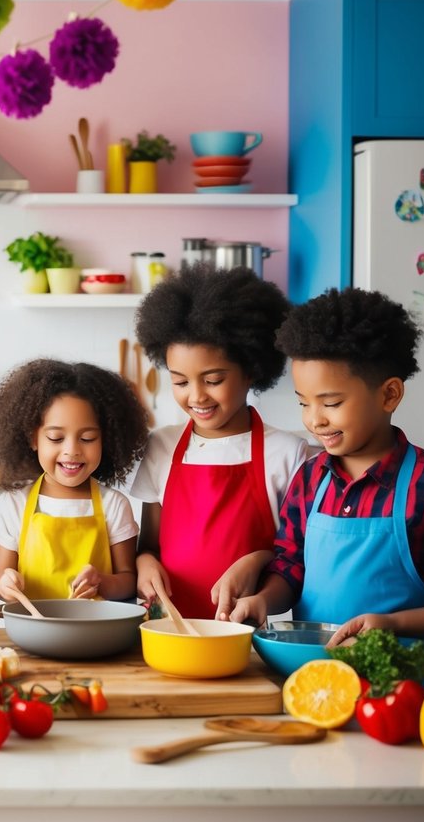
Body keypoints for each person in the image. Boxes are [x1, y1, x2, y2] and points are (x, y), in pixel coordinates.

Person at [229, 288, 424, 669]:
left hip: (404, 692)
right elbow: (290, 568)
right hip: (313, 678)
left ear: (389, 395)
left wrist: (392, 624)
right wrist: (263, 600)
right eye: (303, 402)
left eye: (331, 403)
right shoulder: (309, 479)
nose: (314, 420)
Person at [130, 265, 308, 620]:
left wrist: (257, 560)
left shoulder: (288, 452)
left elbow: (297, 558)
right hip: (167, 630)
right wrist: (145, 566)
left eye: (213, 380)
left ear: (252, 370)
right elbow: (149, 546)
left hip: (247, 635)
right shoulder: (161, 445)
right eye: (180, 382)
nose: (196, 396)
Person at [0, 360, 147, 605]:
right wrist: (6, 582)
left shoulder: (114, 504)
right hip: (33, 635)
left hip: (98, 637)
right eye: (56, 437)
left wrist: (101, 581)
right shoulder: (14, 504)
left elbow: (127, 581)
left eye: (87, 438)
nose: (72, 450)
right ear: (33, 438)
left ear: (108, 440)